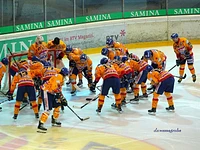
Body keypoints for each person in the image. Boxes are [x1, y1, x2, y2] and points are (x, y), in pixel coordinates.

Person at [37, 67, 68, 132]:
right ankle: (41, 123)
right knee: (48, 108)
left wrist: (62, 98)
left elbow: (58, 89)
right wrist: (60, 96)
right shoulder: (59, 76)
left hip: (51, 92)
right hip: (46, 91)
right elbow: (54, 87)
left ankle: (54, 120)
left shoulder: (60, 78)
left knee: (57, 105)